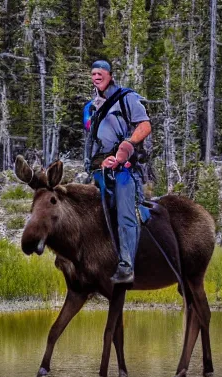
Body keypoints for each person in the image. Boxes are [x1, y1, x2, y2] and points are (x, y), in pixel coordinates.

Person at [83, 60, 152, 285]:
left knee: (124, 212)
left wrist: (126, 146)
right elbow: (93, 138)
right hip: (98, 170)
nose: (96, 76)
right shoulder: (90, 107)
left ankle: (126, 265)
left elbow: (144, 126)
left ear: (110, 75)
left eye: (100, 73)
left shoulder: (127, 98)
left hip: (123, 169)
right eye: (93, 73)